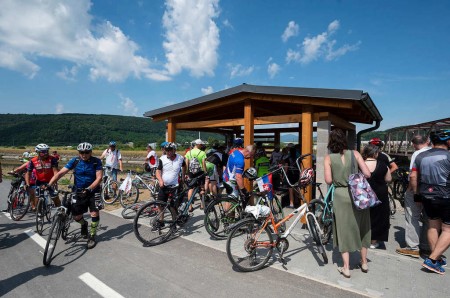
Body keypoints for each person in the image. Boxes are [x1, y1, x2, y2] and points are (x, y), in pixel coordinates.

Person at [324, 129, 371, 278]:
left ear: (331, 143)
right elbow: (368, 174)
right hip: (358, 194)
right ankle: (364, 262)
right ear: (344, 140)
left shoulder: (329, 158)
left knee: (343, 229)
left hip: (340, 195)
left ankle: (346, 267)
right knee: (362, 226)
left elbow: (329, 180)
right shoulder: (355, 154)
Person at [49, 142, 103, 249]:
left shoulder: (96, 162)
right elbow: (60, 173)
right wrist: (49, 184)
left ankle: (92, 236)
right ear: (79, 153)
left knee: (94, 213)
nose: (84, 154)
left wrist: (89, 189)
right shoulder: (75, 161)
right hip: (78, 191)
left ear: (91, 152)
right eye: (81, 152)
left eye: (86, 152)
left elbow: (99, 178)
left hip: (93, 191)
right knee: (76, 216)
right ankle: (84, 224)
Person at [410, 129, 450, 275]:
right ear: (447, 141)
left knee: (433, 226)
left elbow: (413, 176)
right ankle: (432, 260)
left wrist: (416, 194)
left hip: (426, 195)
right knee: (447, 230)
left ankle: (436, 258)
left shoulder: (421, 156)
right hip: (446, 196)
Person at [396, 135, 432, 258]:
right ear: (427, 142)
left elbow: (413, 176)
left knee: (412, 217)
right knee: (430, 220)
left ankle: (413, 247)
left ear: (413, 144)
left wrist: (412, 192)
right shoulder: (436, 152)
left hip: (418, 189)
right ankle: (429, 246)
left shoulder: (417, 154)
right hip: (434, 191)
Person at [363, 144, 392, 249]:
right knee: (379, 217)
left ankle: (362, 238)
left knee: (364, 215)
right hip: (380, 193)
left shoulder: (360, 164)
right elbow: (388, 179)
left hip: (364, 193)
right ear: (376, 153)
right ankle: (373, 241)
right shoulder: (383, 165)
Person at [154, 142, 186, 230]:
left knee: (173, 206)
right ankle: (161, 222)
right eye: (166, 150)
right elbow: (158, 171)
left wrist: (183, 176)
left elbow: (184, 166)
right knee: (160, 204)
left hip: (175, 186)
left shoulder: (180, 158)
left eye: (170, 150)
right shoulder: (162, 159)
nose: (168, 152)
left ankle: (173, 223)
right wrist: (160, 180)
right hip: (164, 186)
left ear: (174, 150)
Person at [25, 144, 59, 210]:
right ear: (38, 152)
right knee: (37, 198)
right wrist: (27, 184)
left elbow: (55, 172)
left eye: (46, 151)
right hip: (39, 182)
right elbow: (28, 173)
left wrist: (54, 182)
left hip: (51, 181)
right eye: (43, 152)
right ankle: (39, 212)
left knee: (55, 197)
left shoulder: (52, 159)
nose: (45, 153)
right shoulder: (33, 161)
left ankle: (60, 211)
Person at [185, 139, 207, 210]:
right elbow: (203, 163)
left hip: (191, 172)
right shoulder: (202, 153)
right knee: (202, 188)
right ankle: (202, 205)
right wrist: (205, 171)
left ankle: (190, 206)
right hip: (200, 172)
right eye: (201, 144)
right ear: (198, 145)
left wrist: (187, 172)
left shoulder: (189, 152)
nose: (201, 146)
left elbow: (187, 163)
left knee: (191, 188)